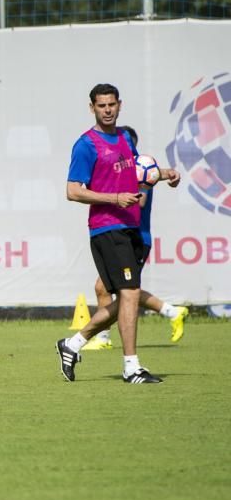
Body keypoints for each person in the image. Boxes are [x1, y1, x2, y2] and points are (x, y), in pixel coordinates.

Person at [56, 84, 175, 384]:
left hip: (130, 227)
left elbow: (137, 175)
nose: (107, 110)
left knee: (123, 301)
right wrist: (115, 199)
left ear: (119, 105)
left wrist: (165, 174)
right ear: (92, 108)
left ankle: (72, 344)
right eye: (101, 106)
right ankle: (131, 367)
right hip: (107, 228)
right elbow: (72, 192)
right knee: (131, 293)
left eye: (111, 105)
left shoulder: (124, 137)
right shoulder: (86, 144)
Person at [83, 124, 187, 351]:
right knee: (114, 289)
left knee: (123, 290)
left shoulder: (142, 169)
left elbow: (139, 200)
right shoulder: (125, 169)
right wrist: (168, 172)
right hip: (121, 235)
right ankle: (171, 311)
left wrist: (135, 187)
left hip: (137, 237)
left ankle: (100, 339)